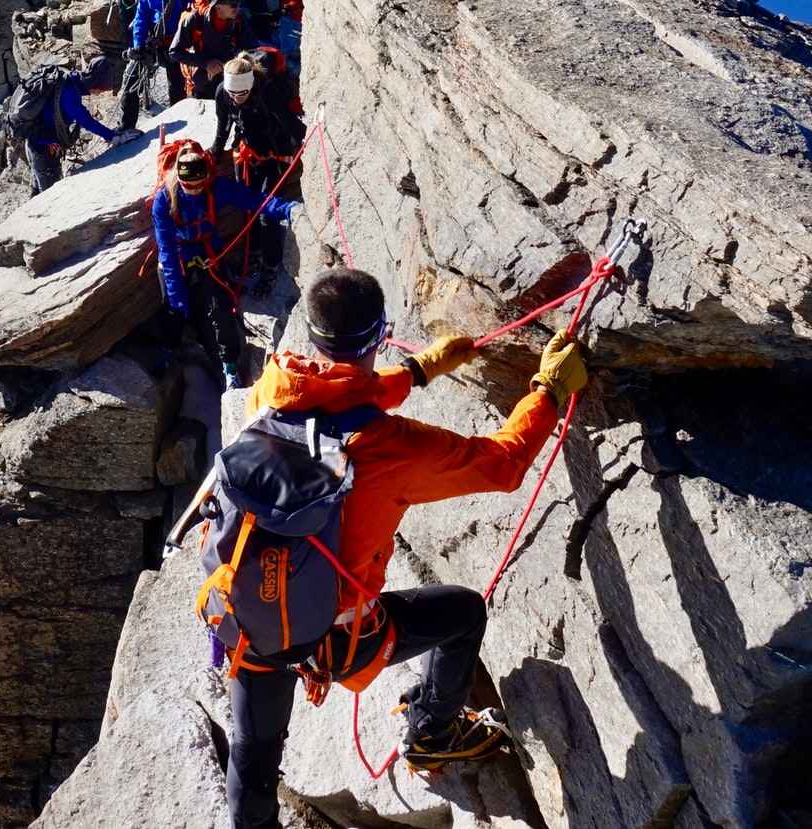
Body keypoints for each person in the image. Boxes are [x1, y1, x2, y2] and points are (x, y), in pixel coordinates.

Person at [222, 269, 588, 828]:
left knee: (253, 758)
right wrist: (547, 391)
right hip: (342, 638)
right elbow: (505, 464)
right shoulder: (390, 450)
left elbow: (339, 393)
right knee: (464, 613)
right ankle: (433, 735)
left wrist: (419, 371)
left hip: (250, 614)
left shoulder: (273, 390)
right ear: (377, 336)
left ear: (315, 339)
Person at [152, 142, 296, 389]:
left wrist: (286, 208)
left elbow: (254, 200)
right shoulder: (164, 199)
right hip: (177, 255)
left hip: (209, 253)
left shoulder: (215, 187)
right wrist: (177, 297)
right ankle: (169, 349)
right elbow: (166, 251)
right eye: (189, 187)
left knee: (221, 310)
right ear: (179, 179)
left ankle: (230, 369)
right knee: (173, 309)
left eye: (199, 185)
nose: (195, 191)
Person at [213, 51, 306, 293]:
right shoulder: (224, 93)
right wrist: (213, 156)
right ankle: (252, 255)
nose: (236, 99)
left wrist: (305, 140)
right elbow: (222, 127)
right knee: (248, 209)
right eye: (233, 94)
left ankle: (270, 268)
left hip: (273, 156)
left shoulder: (267, 93)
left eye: (241, 94)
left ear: (250, 86)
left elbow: (290, 124)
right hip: (246, 154)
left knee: (267, 214)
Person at [10, 54, 130, 195]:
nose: (99, 93)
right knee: (49, 196)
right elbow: (85, 120)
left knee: (38, 190)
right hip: (43, 148)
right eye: (101, 89)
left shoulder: (70, 79)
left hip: (37, 144)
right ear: (95, 83)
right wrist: (112, 137)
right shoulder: (70, 92)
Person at [122, 0, 193, 129]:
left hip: (178, 41)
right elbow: (142, 12)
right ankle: (126, 126)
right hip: (154, 38)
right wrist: (138, 43)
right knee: (131, 77)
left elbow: (195, 11)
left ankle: (180, 119)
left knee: (176, 84)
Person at [170, 0, 250, 101]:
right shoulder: (194, 20)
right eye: (233, 5)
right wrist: (206, 63)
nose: (237, 8)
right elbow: (174, 52)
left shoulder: (239, 19)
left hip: (231, 79)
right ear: (217, 6)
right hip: (202, 83)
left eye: (238, 3)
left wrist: (235, 62)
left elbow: (248, 46)